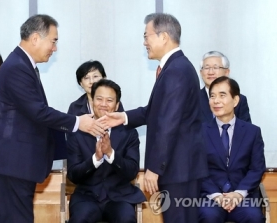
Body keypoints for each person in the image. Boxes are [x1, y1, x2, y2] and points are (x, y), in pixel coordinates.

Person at [0, 14, 105, 223]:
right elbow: (38, 112)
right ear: (36, 38)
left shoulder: (22, 65)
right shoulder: (17, 68)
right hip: (11, 164)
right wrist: (77, 122)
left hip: (15, 164)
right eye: (54, 41)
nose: (55, 48)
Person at [98, 13, 208, 223]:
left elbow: (168, 124)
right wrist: (122, 117)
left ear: (164, 36)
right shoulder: (176, 67)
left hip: (178, 169)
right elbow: (156, 111)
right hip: (180, 168)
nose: (144, 42)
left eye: (147, 36)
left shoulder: (176, 71)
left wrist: (155, 168)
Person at [67, 79, 146, 223]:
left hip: (120, 197)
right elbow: (73, 175)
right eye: (99, 99)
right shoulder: (78, 132)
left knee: (126, 219)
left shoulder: (129, 133)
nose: (103, 104)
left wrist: (111, 154)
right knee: (79, 219)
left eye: (109, 100)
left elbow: (132, 172)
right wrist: (95, 159)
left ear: (116, 106)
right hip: (87, 197)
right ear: (92, 102)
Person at [199, 76, 265, 223]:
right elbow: (197, 169)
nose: (216, 101)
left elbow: (257, 168)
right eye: (212, 96)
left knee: (253, 217)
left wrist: (238, 194)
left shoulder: (252, 132)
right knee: (208, 216)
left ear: (235, 100)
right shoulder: (199, 132)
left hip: (243, 197)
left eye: (222, 95)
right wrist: (217, 196)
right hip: (210, 197)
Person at [199, 51, 251, 123]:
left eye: (215, 67)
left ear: (226, 72)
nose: (211, 72)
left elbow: (246, 130)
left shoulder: (239, 100)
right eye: (207, 68)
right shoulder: (192, 99)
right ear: (201, 73)